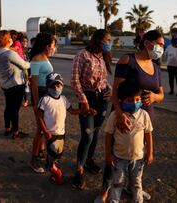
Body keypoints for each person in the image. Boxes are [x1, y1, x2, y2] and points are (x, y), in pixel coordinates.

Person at [96, 29, 164, 202]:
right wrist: (118, 113)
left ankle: (134, 188)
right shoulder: (128, 60)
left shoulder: (156, 67)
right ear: (148, 43)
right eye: (160, 44)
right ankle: (105, 190)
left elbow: (160, 93)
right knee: (114, 156)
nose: (162, 48)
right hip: (123, 115)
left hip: (144, 117)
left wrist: (155, 97)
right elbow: (115, 91)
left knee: (136, 155)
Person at [71, 29, 113, 190]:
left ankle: (89, 160)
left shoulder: (103, 56)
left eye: (110, 40)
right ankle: (79, 169)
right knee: (87, 134)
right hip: (87, 99)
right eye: (106, 40)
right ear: (97, 40)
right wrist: (83, 101)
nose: (109, 42)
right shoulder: (82, 55)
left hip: (102, 99)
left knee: (96, 131)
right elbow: (75, 80)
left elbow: (103, 79)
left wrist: (108, 89)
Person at [37, 72, 95, 185]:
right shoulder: (45, 99)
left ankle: (52, 164)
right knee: (53, 153)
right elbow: (39, 116)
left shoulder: (63, 99)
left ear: (62, 86)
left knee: (58, 153)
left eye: (58, 85)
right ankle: (56, 173)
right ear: (47, 86)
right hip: (50, 133)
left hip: (61, 132)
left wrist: (85, 111)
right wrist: (45, 131)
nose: (56, 88)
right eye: (53, 85)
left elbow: (72, 111)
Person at [105, 80, 153, 203]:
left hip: (138, 158)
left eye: (137, 100)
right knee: (117, 182)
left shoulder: (144, 115)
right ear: (121, 101)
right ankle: (114, 200)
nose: (135, 103)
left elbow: (148, 134)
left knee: (136, 182)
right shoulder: (115, 116)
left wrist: (150, 153)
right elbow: (108, 135)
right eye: (130, 100)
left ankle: (138, 199)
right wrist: (108, 154)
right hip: (119, 157)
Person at [0, 30, 30, 138]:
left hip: (6, 85)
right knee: (15, 110)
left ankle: (7, 128)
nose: (12, 39)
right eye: (10, 37)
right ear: (8, 40)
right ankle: (16, 132)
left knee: (8, 107)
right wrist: (32, 62)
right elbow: (25, 65)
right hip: (16, 85)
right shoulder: (10, 54)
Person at [29, 32, 57, 173]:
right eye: (53, 45)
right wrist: (35, 103)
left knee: (45, 125)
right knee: (40, 129)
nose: (54, 47)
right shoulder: (36, 59)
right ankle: (33, 159)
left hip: (47, 94)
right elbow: (33, 83)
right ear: (47, 46)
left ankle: (41, 151)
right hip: (40, 95)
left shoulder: (45, 57)